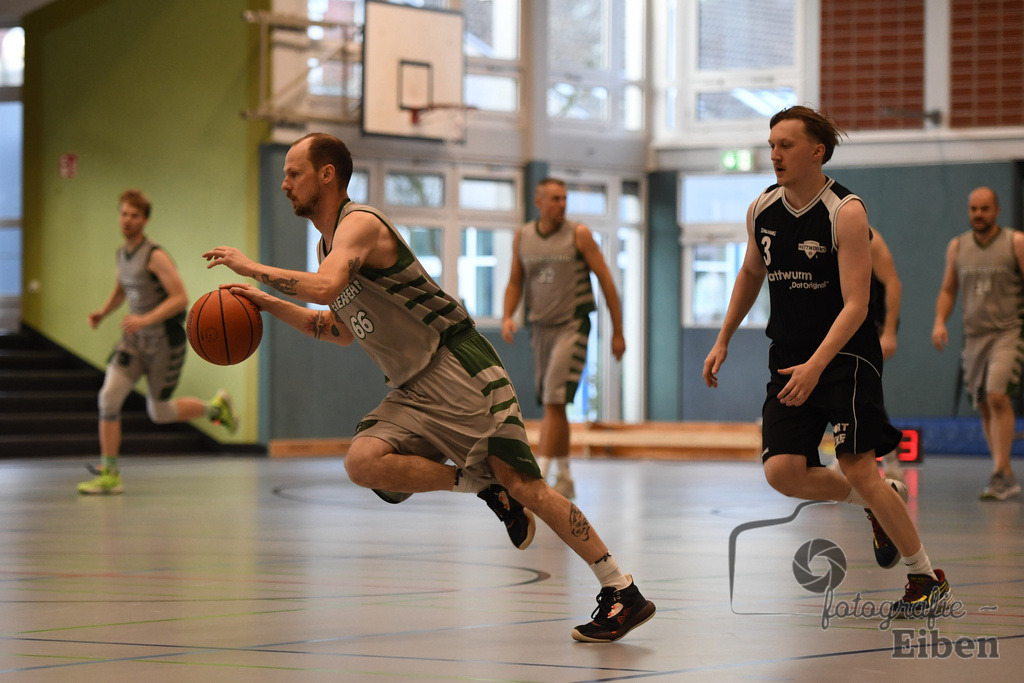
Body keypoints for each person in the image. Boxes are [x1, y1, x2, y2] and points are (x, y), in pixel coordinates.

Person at [203, 133, 655, 642]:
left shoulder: (359, 225)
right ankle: (484, 488)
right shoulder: (326, 245)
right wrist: (268, 305)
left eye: (293, 173)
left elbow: (326, 287)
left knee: (528, 486)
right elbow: (337, 328)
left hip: (458, 368)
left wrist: (252, 268)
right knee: (363, 461)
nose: (285, 183)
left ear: (326, 175)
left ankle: (621, 589)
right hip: (412, 388)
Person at [703, 106, 951, 615]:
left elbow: (857, 304)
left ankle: (926, 577)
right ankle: (879, 501)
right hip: (789, 357)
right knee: (782, 472)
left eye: (786, 145)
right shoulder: (761, 209)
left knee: (858, 467)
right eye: (771, 145)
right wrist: (723, 338)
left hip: (844, 357)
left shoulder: (846, 211)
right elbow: (750, 274)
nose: (775, 154)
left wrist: (817, 365)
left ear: (816, 152)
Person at [80, 189, 238, 495]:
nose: (127, 220)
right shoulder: (121, 254)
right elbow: (122, 290)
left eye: (134, 215)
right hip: (134, 341)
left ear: (145, 220)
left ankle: (215, 409)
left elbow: (181, 298)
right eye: (124, 214)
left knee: (159, 412)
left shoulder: (155, 255)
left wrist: (145, 319)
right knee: (108, 398)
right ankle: (110, 474)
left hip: (164, 341)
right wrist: (102, 312)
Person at [500, 178, 625, 498]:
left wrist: (618, 331)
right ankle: (565, 476)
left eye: (565, 198)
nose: (562, 204)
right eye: (555, 198)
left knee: (554, 397)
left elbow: (607, 281)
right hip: (541, 327)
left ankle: (539, 473)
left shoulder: (578, 234)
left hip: (572, 324)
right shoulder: (523, 237)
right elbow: (515, 281)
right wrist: (507, 315)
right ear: (539, 202)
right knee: (553, 403)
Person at [932, 187, 1024, 501]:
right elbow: (948, 289)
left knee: (997, 395)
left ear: (997, 210)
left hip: (1008, 332)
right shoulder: (958, 246)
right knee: (984, 403)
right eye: (974, 209)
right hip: (974, 336)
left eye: (985, 208)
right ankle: (1004, 473)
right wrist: (939, 321)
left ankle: (1000, 472)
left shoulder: (1015, 241)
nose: (979, 214)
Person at [869, 228, 906, 482]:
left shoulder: (870, 238)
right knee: (847, 388)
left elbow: (893, 282)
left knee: (864, 386)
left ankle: (891, 457)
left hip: (875, 324)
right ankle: (848, 455)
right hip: (845, 323)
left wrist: (890, 332)